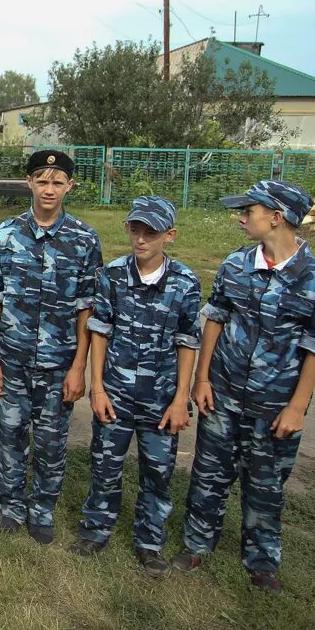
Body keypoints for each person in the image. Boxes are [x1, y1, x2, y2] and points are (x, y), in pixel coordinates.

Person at [172, 180, 315, 593]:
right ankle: (197, 544)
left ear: (276, 216)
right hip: (224, 393)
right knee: (208, 474)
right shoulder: (236, 265)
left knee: (265, 484)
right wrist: (202, 379)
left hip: (275, 405)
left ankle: (262, 562)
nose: (241, 217)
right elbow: (215, 317)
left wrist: (297, 407)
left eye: (248, 210)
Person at [72, 196, 201, 577]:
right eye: (135, 230)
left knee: (157, 473)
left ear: (170, 236)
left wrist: (181, 399)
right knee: (105, 466)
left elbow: (188, 341)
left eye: (151, 233)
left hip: (161, 400)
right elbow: (100, 331)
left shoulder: (185, 282)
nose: (141, 240)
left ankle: (149, 542)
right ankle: (96, 530)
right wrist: (97, 388)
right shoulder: (111, 276)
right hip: (115, 392)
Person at [0, 149, 103, 544]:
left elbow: (88, 307)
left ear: (70, 185)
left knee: (52, 442)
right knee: (10, 435)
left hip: (59, 362)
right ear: (29, 183)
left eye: (57, 182)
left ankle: (42, 511)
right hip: (12, 357)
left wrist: (78, 367)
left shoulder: (84, 240)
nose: (48, 189)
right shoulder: (5, 234)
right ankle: (11, 509)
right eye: (42, 180)